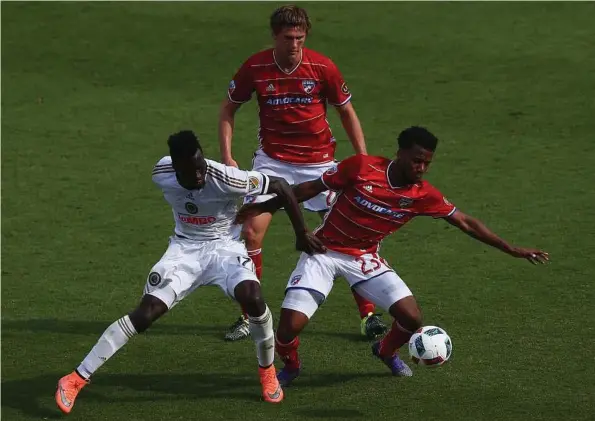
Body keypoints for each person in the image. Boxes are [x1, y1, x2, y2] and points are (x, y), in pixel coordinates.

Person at [235, 126, 549, 385]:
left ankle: (385, 351)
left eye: (427, 163)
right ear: (399, 154)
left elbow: (465, 222)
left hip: (364, 257)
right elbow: (307, 190)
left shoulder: (423, 195)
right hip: (324, 252)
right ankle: (291, 366)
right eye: (416, 161)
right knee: (289, 326)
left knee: (412, 318)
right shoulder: (361, 167)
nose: (421, 168)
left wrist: (512, 249)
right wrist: (263, 207)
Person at [54, 130, 325, 413]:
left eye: (201, 166)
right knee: (146, 314)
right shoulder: (161, 172)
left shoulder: (226, 178)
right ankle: (75, 378)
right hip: (184, 250)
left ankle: (267, 371)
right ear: (175, 168)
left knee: (253, 298)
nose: (199, 175)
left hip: (224, 248)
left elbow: (281, 185)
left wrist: (301, 232)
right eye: (191, 171)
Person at [219, 4, 386, 341]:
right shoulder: (256, 66)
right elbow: (228, 109)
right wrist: (228, 157)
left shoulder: (322, 67)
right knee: (250, 232)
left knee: (354, 234)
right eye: (288, 37)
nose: (295, 44)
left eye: (300, 37)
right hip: (272, 163)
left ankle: (369, 316)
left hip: (319, 164)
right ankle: (250, 317)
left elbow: (346, 112)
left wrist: (363, 159)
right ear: (275, 36)